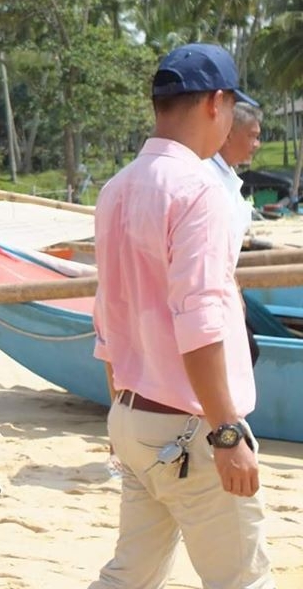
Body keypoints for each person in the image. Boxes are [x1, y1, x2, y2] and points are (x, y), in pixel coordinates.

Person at [90, 44, 274, 589]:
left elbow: (108, 316)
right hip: (191, 426)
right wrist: (226, 432)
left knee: (132, 574)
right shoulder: (199, 191)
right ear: (217, 103)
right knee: (243, 579)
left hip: (132, 414)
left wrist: (119, 409)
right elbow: (200, 319)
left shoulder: (115, 189)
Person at [204, 102, 265, 367]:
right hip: (211, 295)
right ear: (228, 134)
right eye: (252, 135)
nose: (257, 144)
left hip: (226, 288)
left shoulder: (226, 177)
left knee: (248, 352)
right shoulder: (207, 178)